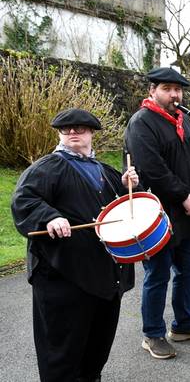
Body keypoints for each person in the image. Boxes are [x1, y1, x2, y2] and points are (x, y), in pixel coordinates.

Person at [12, 109, 139, 381]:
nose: (72, 133)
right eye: (66, 129)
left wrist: (128, 186)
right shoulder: (46, 167)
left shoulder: (106, 171)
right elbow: (24, 201)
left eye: (80, 128)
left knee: (95, 353)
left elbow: (125, 211)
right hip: (63, 279)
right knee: (62, 357)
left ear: (91, 133)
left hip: (103, 279)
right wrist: (50, 216)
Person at [124, 67, 190, 359]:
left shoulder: (182, 120)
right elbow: (151, 169)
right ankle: (152, 334)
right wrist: (184, 196)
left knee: (188, 270)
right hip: (160, 214)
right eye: (168, 89)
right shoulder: (142, 123)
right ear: (152, 91)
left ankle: (183, 324)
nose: (174, 94)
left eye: (178, 89)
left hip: (187, 215)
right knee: (157, 275)